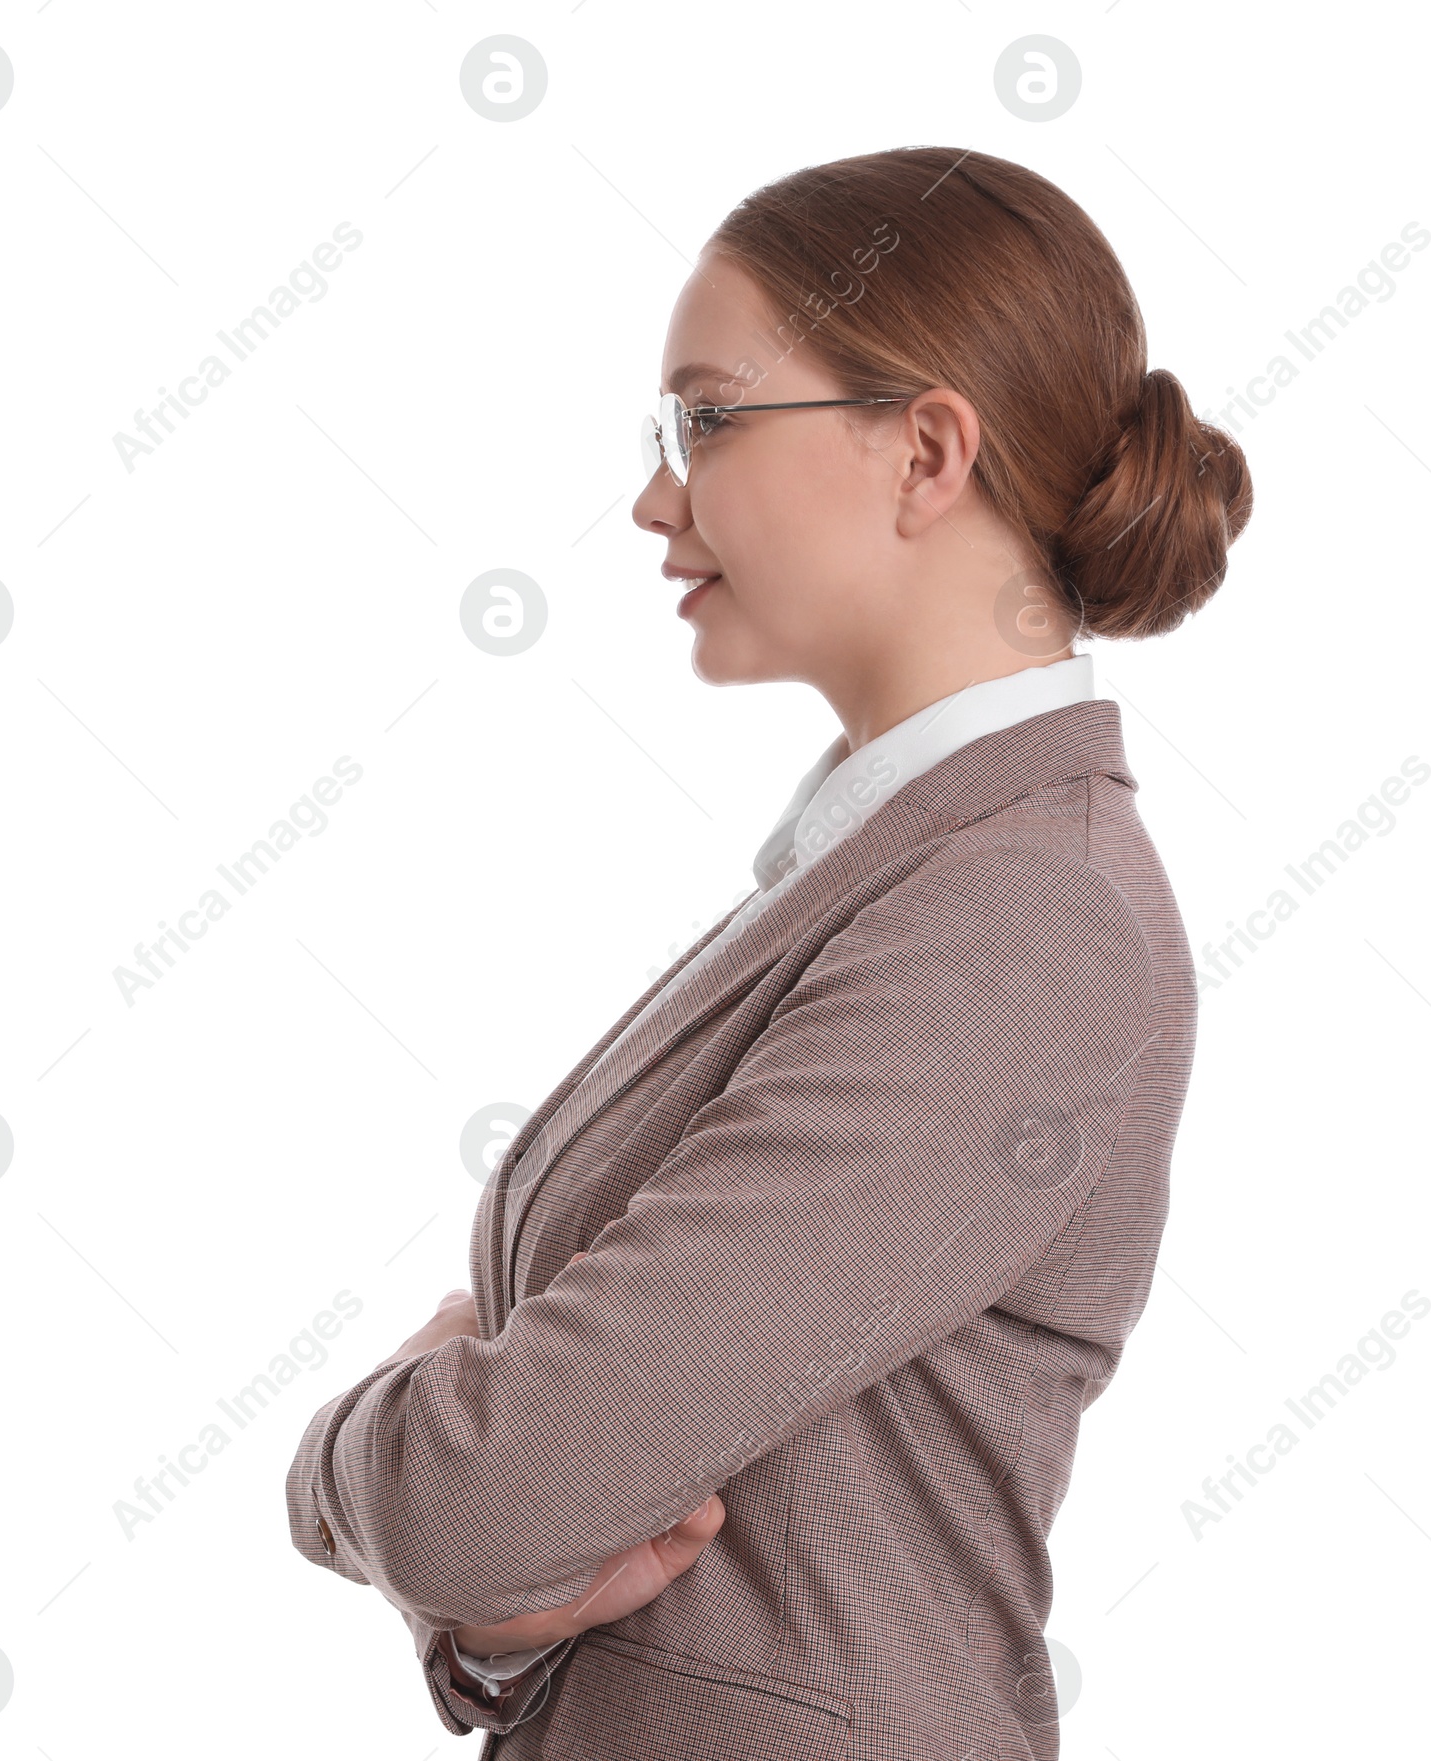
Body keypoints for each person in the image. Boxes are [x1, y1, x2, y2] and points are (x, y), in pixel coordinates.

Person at [286, 144, 1251, 1759]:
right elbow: (567, 1541)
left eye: (708, 420)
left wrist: (341, 1461)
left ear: (927, 451)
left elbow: (490, 1500)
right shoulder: (892, 872)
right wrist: (496, 1607)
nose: (659, 495)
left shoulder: (1026, 922)